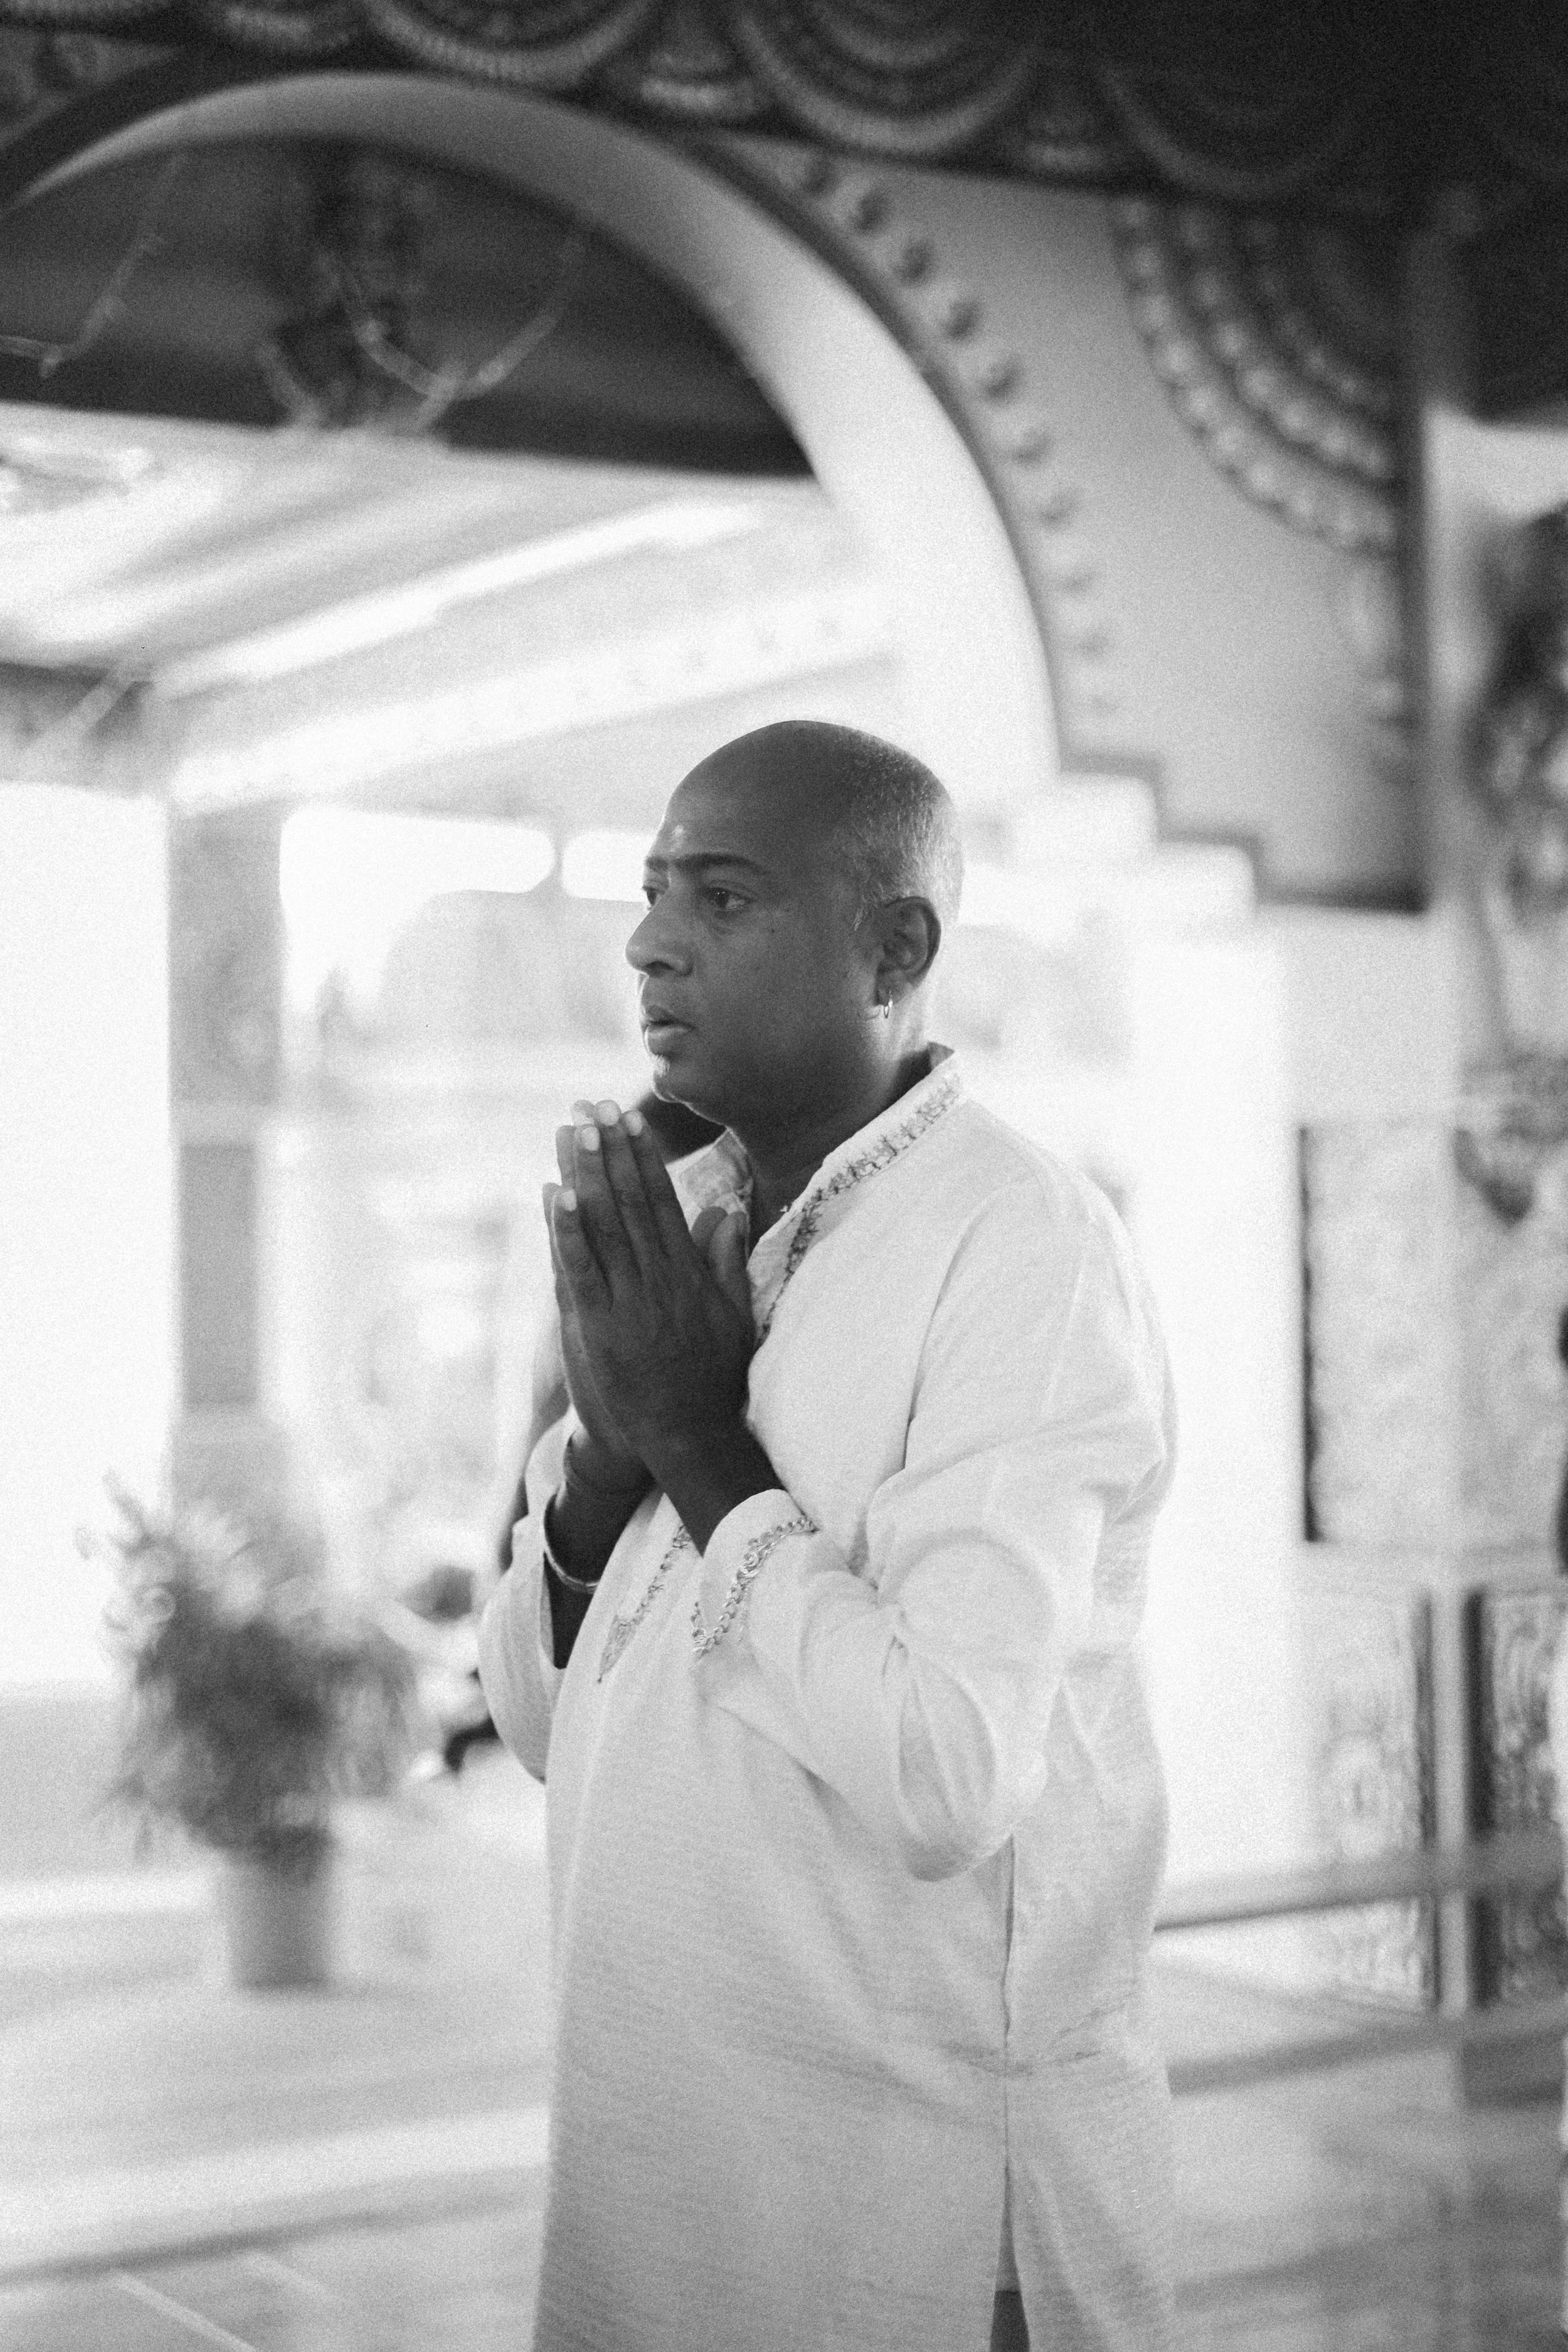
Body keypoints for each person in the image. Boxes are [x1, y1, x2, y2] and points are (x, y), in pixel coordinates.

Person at [478, 719, 1179, 2352]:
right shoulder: (705, 1227)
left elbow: (944, 1771)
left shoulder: (1018, 1247)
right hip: (664, 2167)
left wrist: (701, 1443)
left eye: (720, 899)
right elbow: (531, 1719)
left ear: (894, 948)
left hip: (900, 2214)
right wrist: (601, 1454)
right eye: (651, 893)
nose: (650, 939)